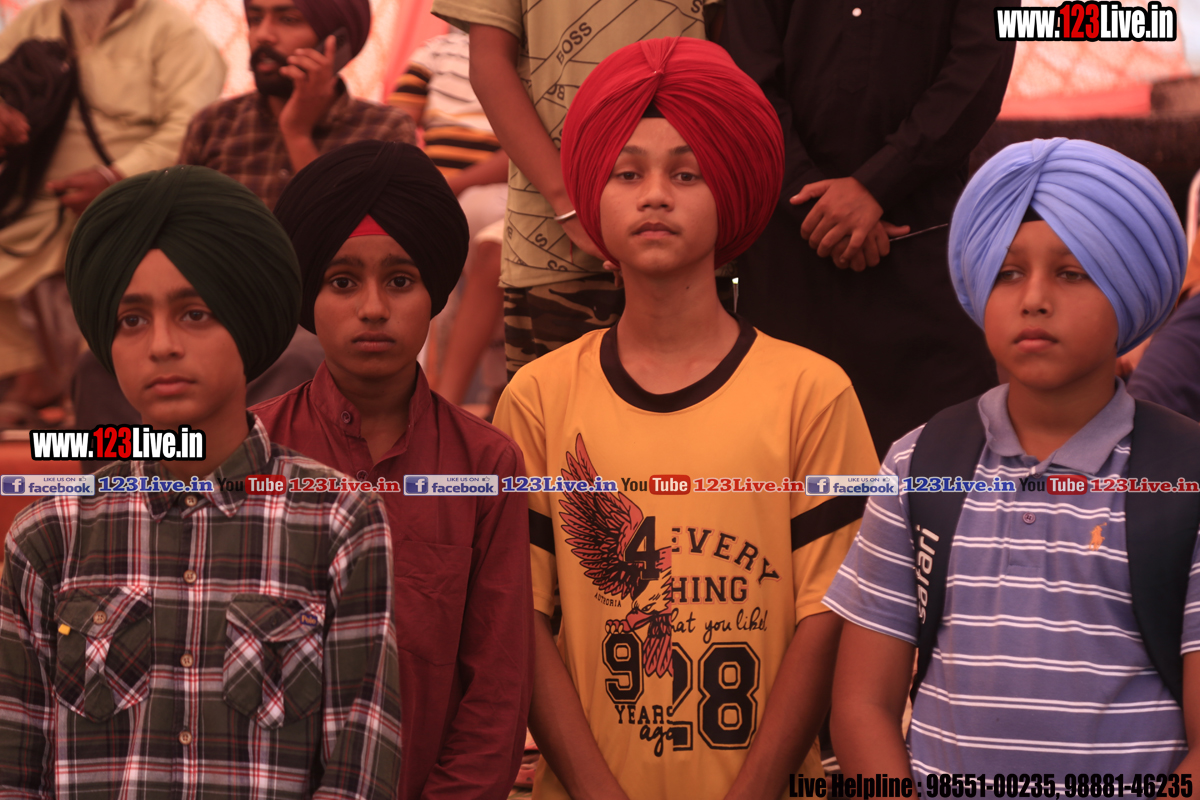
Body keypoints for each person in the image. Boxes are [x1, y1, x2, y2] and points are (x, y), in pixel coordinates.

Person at [491, 38, 879, 800]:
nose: (655, 196)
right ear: (593, 195)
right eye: (628, 173)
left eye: (687, 173)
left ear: (731, 189)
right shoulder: (538, 398)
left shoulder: (813, 393)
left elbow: (828, 618)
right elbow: (521, 621)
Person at [0, 165, 402, 798]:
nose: (161, 345)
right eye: (132, 320)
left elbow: (359, 771)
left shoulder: (338, 520)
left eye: (194, 313)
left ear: (246, 321)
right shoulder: (47, 536)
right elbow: (14, 771)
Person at [825, 138, 1198, 775]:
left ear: (1131, 289)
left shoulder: (1184, 480)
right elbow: (862, 706)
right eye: (1008, 272)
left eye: (1072, 273)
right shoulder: (918, 465)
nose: (1034, 299)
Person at [253, 140, 532, 800]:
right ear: (309, 295)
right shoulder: (251, 449)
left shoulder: (487, 466)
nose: (374, 308)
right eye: (343, 282)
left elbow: (497, 688)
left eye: (400, 281)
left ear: (434, 293)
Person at [722, 0, 1016, 458]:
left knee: (938, 469)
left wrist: (878, 184)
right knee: (788, 466)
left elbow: (980, 70)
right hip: (789, 256)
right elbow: (745, 83)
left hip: (921, 253)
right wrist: (817, 206)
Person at [432, 0, 721, 380]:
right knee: (554, 411)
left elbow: (738, 47)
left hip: (696, 246)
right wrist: (567, 203)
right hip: (555, 241)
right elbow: (489, 63)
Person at [0, 0, 224, 426]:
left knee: (117, 273)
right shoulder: (37, 20)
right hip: (39, 202)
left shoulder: (174, 33)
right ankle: (30, 377)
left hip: (134, 199)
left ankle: (100, 399)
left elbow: (191, 127)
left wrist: (114, 178)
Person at [179, 0, 415, 211]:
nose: (263, 35)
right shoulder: (213, 124)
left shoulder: (384, 132)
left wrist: (297, 134)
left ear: (337, 41)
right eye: (256, 19)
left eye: (288, 20)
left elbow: (349, 236)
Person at [388, 27, 508, 412]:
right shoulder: (434, 53)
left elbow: (521, 150)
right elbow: (394, 128)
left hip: (496, 189)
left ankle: (443, 400)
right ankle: (429, 396)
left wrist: (452, 186)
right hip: (436, 192)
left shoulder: (525, 54)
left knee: (484, 232)